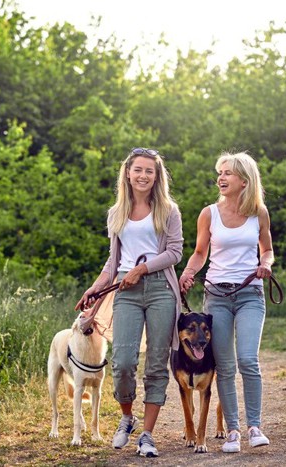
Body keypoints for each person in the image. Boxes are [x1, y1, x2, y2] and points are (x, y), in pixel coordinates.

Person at [75, 147, 183, 458]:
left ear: (156, 175)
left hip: (161, 288)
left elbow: (174, 253)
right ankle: (127, 417)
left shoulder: (169, 210)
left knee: (157, 364)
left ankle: (147, 435)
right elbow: (112, 263)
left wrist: (142, 268)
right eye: (138, 169)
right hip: (125, 289)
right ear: (127, 172)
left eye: (150, 171)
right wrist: (94, 290)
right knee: (122, 362)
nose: (144, 175)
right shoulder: (116, 213)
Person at [178, 151, 274, 453]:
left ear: (244, 180)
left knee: (247, 359)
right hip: (216, 296)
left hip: (250, 294)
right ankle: (232, 430)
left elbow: (267, 249)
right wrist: (189, 271)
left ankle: (254, 426)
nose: (221, 177)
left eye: (227, 173)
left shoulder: (259, 212)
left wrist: (266, 264)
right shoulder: (209, 213)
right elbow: (199, 252)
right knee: (226, 365)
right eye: (219, 172)